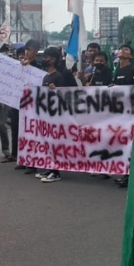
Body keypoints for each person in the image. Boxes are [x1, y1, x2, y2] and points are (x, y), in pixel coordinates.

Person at [35, 46, 77, 183]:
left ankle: (56, 171)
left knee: (55, 143)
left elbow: (64, 95)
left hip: (57, 115)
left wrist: (57, 90)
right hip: (47, 114)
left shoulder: (59, 76)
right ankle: (50, 168)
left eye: (46, 57)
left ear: (53, 59)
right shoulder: (46, 76)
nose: (43, 60)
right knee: (48, 142)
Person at [13, 39, 41, 173]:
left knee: (32, 134)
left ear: (35, 52)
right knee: (19, 133)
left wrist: (29, 66)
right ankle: (22, 159)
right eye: (26, 50)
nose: (26, 52)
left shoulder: (39, 66)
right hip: (19, 104)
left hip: (33, 105)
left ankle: (32, 163)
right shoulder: (19, 64)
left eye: (29, 50)